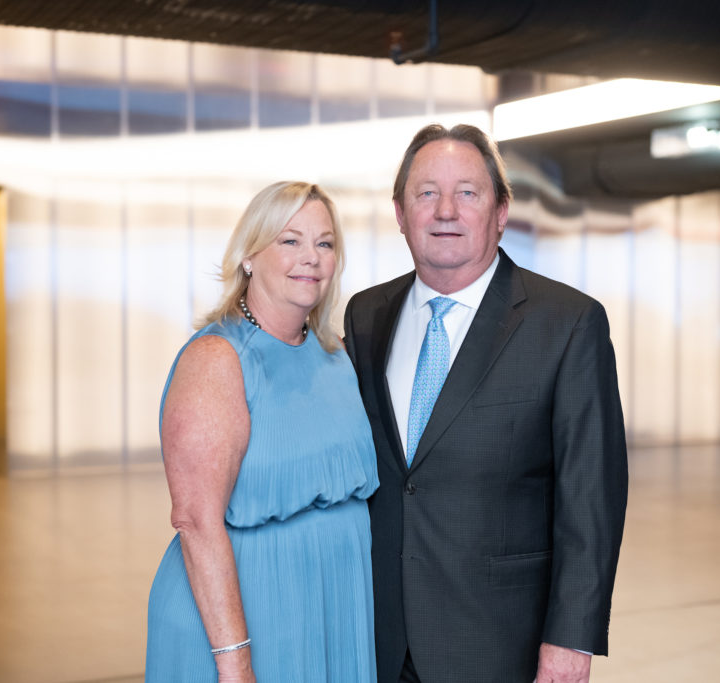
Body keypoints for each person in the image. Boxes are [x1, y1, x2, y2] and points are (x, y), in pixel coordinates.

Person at [343, 124, 628, 683]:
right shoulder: (366, 314)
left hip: (499, 644)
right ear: (400, 213)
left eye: (468, 192)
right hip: (378, 638)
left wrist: (570, 640)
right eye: (425, 193)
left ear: (500, 211)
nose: (445, 210)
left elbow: (591, 500)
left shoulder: (567, 323)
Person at [146, 181, 378, 682]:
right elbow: (196, 521)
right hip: (249, 620)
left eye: (325, 243)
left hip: (331, 610)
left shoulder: (337, 355)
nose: (310, 258)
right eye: (289, 240)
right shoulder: (218, 359)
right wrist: (235, 663)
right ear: (249, 255)